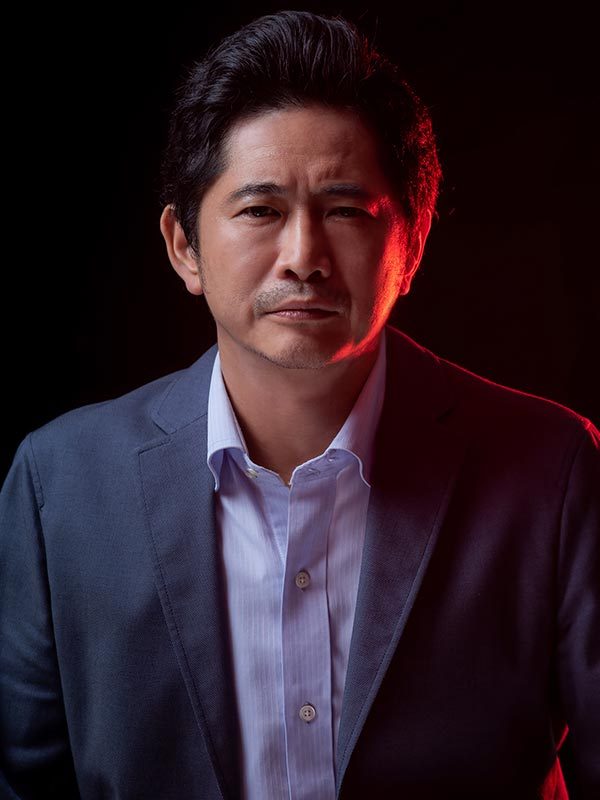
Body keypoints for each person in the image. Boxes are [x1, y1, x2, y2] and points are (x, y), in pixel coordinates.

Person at [1, 9, 598, 800]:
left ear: (413, 243)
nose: (304, 257)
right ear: (183, 246)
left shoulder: (551, 469)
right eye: (261, 210)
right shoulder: (60, 485)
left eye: (346, 210)